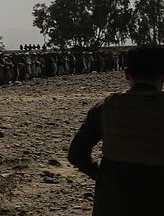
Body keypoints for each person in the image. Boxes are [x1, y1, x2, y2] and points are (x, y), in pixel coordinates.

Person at [68, 46, 164, 215]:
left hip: (113, 201)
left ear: (127, 74)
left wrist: (102, 178)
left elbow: (76, 154)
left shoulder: (106, 106)